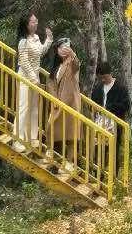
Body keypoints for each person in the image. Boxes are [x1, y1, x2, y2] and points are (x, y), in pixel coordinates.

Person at [14, 13, 53, 150]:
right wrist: (33, 79)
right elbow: (24, 62)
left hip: (34, 77)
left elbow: (40, 52)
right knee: (23, 107)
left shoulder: (36, 38)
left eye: (36, 21)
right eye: (33, 22)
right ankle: (18, 140)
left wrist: (48, 39)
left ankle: (32, 137)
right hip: (25, 78)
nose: (36, 24)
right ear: (26, 24)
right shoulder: (23, 41)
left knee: (34, 108)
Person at [46, 35, 82, 171]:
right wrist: (54, 98)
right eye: (60, 47)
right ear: (57, 50)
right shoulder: (56, 66)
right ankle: (50, 151)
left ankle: (69, 162)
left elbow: (76, 65)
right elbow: (50, 83)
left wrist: (73, 55)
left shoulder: (72, 63)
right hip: (58, 102)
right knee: (51, 125)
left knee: (71, 134)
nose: (63, 50)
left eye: (65, 47)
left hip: (71, 102)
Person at [91, 61, 131, 180]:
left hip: (115, 122)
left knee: (114, 148)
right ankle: (99, 174)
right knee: (99, 148)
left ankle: (113, 176)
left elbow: (126, 105)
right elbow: (93, 103)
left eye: (104, 77)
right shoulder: (98, 88)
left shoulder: (120, 87)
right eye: (100, 78)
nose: (103, 80)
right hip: (100, 121)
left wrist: (109, 109)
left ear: (109, 74)